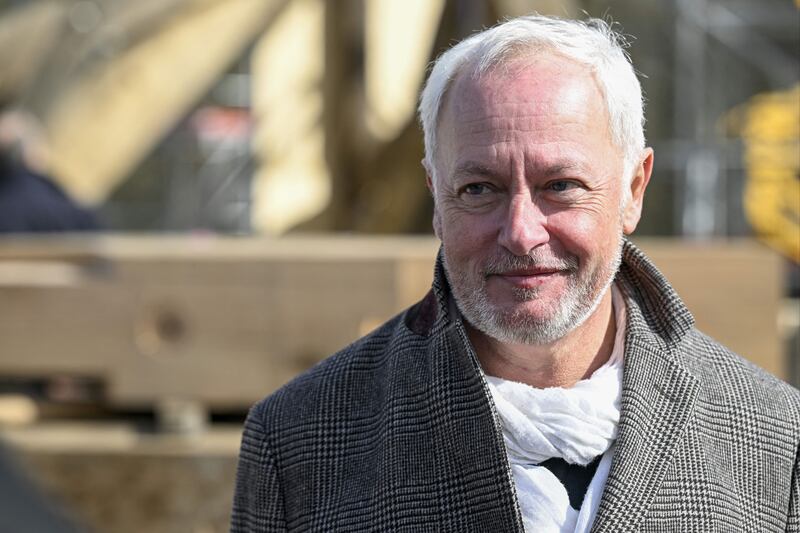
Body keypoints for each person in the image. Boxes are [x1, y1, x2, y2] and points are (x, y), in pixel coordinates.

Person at [231, 15, 799, 532]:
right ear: (436, 194)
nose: (522, 232)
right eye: (479, 189)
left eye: (561, 186)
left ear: (633, 189)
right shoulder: (300, 440)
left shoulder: (775, 440)